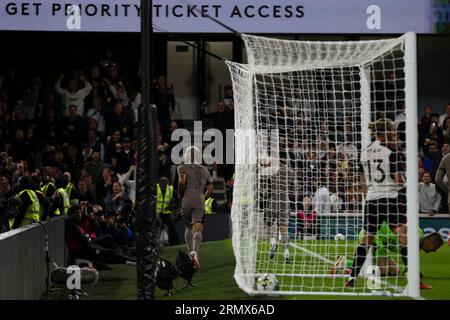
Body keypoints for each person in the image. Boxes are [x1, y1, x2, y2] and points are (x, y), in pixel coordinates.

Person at [346, 118, 407, 287]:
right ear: (386, 132)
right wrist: (406, 181)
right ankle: (412, 274)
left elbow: (362, 182)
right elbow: (398, 181)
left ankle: (352, 278)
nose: (394, 134)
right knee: (403, 237)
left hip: (371, 201)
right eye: (392, 131)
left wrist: (369, 196)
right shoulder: (391, 152)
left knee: (366, 240)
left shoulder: (364, 152)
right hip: (389, 199)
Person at [177, 146, 213, 271]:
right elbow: (210, 190)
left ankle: (190, 253)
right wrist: (203, 197)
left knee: (188, 227)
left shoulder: (182, 167)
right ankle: (195, 253)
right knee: (197, 228)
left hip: (186, 199)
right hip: (199, 200)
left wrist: (180, 193)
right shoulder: (205, 170)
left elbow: (182, 182)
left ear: (187, 155)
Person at [263, 156, 295, 263]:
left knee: (267, 225)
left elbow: (263, 176)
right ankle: (286, 254)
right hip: (285, 202)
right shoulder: (290, 171)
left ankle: (273, 243)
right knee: (284, 230)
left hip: (274, 200)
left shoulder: (272, 170)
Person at [156, 176, 179, 246]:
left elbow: (179, 198)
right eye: (161, 182)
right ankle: (155, 243)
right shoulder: (155, 188)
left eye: (165, 182)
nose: (163, 183)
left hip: (166, 211)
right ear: (159, 183)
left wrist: (173, 206)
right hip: (156, 212)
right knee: (157, 224)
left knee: (171, 225)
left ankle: (174, 243)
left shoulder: (170, 189)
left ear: (168, 183)